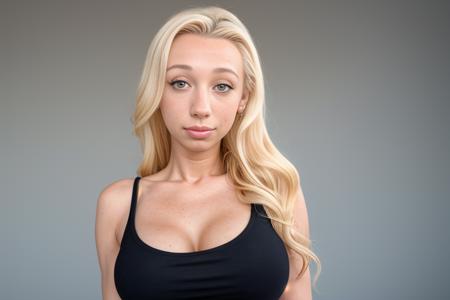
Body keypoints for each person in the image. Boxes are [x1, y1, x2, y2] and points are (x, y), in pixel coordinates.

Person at [95, 5, 321, 300]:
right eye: (180, 83)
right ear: (157, 92)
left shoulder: (276, 191)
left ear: (244, 98)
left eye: (222, 86)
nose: (200, 108)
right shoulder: (118, 205)